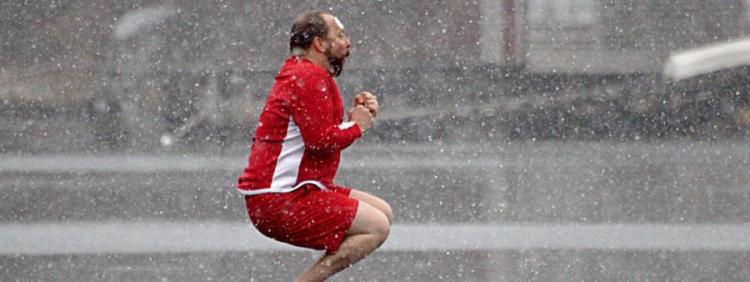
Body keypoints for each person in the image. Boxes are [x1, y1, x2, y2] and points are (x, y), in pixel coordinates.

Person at [236, 10, 393, 281]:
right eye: (340, 36)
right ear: (319, 44)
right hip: (279, 200)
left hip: (297, 191)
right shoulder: (308, 78)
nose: (348, 42)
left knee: (384, 212)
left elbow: (318, 135)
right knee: (376, 227)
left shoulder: (309, 74)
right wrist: (358, 126)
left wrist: (355, 118)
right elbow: (321, 142)